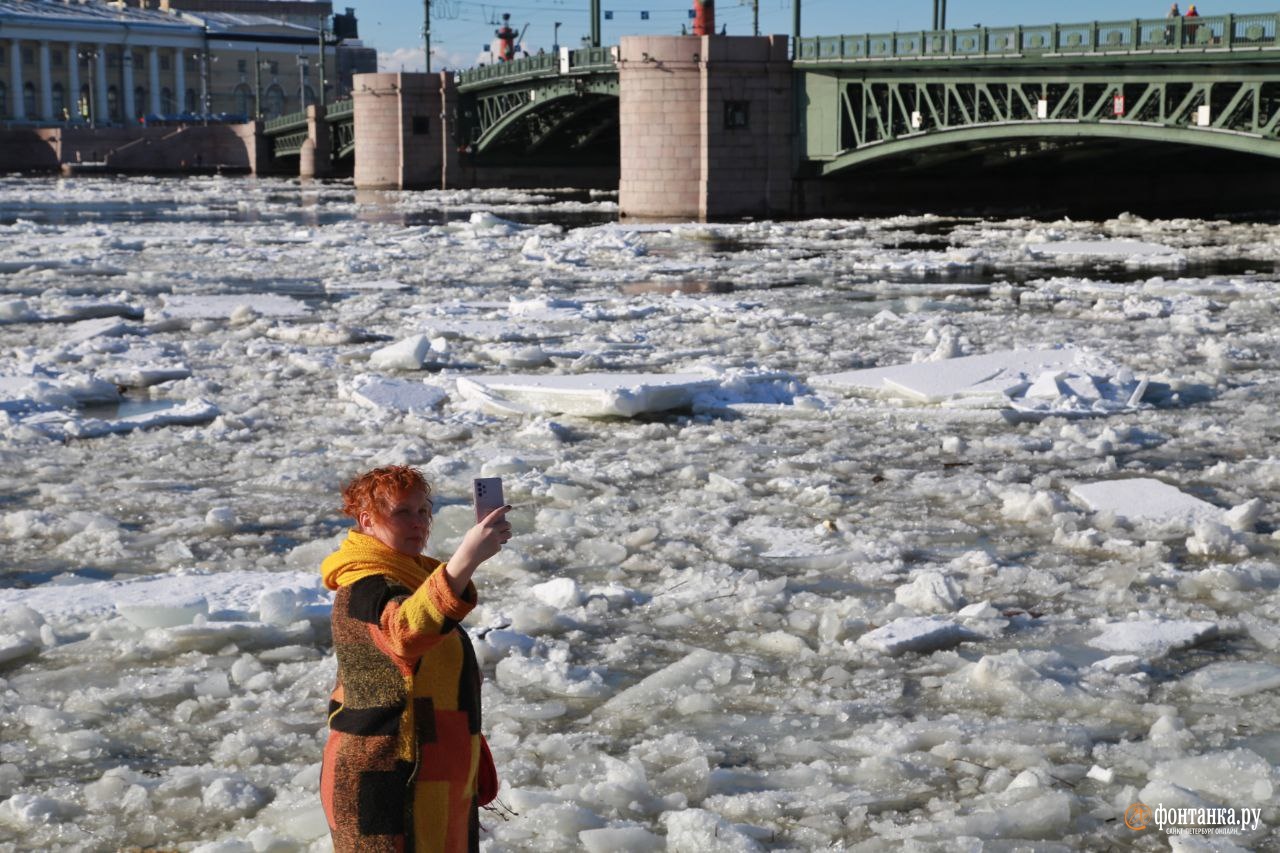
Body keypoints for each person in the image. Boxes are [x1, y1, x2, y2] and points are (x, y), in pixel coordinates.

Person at [319, 465, 512, 853]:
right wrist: (465, 561)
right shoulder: (365, 585)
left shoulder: (412, 578)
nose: (419, 522)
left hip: (431, 773)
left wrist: (469, 748)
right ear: (367, 520)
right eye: (402, 512)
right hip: (385, 779)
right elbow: (404, 632)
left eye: (424, 511)